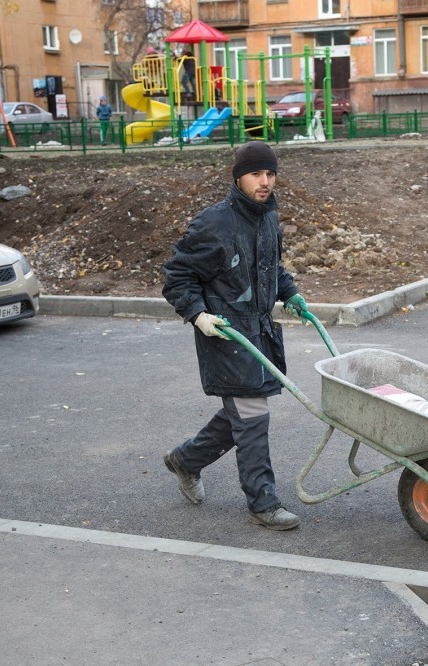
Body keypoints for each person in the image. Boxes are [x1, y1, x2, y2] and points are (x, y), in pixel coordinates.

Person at [161, 141, 308, 531]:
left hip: (257, 331)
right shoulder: (215, 222)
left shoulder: (267, 217)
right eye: (257, 174)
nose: (265, 181)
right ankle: (264, 504)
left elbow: (270, 267)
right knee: (253, 417)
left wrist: (289, 292)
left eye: (270, 174)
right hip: (225, 334)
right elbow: (177, 276)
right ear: (239, 177)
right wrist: (198, 315)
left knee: (240, 414)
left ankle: (185, 460)